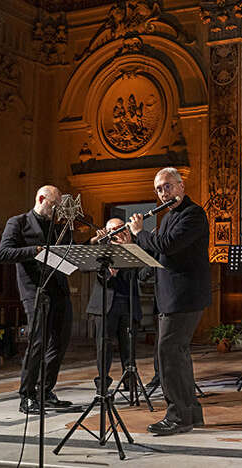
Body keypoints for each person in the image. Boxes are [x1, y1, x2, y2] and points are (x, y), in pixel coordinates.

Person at [128, 167, 211, 435]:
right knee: (178, 355)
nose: (164, 192)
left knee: (167, 353)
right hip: (171, 297)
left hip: (184, 297)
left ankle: (177, 416)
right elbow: (161, 254)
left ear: (181, 186)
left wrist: (140, 232)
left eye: (167, 186)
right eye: (159, 189)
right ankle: (191, 413)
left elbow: (166, 246)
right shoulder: (169, 217)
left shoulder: (193, 214)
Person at [0, 185, 74, 414]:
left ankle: (45, 391)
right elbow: (3, 254)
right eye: (54, 204)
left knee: (59, 343)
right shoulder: (18, 222)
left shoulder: (56, 226)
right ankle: (27, 395)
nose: (57, 210)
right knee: (37, 342)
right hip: (35, 290)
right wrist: (36, 250)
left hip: (59, 289)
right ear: (41, 198)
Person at [87, 218, 142, 392]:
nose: (115, 233)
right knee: (104, 346)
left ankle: (130, 383)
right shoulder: (101, 249)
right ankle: (102, 386)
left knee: (129, 346)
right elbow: (90, 270)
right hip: (104, 304)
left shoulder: (134, 246)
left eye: (119, 228)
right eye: (111, 230)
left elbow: (142, 273)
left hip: (127, 303)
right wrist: (110, 272)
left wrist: (130, 247)